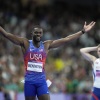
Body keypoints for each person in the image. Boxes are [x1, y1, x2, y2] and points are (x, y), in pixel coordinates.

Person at [0, 21, 95, 100]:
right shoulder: (25, 43)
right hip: (29, 82)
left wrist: (82, 31)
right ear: (32, 34)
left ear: (42, 34)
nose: (38, 34)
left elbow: (67, 39)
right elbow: (7, 35)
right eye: (36, 32)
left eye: (40, 33)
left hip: (41, 82)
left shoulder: (46, 45)